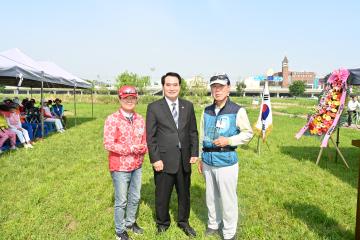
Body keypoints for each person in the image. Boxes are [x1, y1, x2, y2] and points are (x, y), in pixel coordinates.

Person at [198, 74, 253, 240]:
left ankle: (229, 232)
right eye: (214, 87)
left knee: (228, 199)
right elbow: (202, 135)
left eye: (221, 87)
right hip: (208, 161)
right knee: (211, 196)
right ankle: (213, 224)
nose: (217, 90)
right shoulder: (206, 111)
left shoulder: (237, 110)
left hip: (226, 161)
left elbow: (248, 133)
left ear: (228, 89)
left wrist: (229, 140)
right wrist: (201, 157)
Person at [146, 72, 199, 237]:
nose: (171, 88)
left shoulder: (188, 106)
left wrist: (194, 152)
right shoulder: (154, 107)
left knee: (184, 194)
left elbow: (193, 132)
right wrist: (155, 159)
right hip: (163, 160)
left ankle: (184, 222)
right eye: (168, 85)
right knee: (162, 195)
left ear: (180, 87)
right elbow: (151, 136)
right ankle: (163, 223)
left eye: (175, 84)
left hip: (184, 160)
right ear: (163, 86)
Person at [104, 86, 147, 240]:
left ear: (136, 99)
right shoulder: (112, 119)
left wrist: (144, 148)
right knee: (121, 200)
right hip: (120, 166)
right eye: (126, 98)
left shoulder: (140, 119)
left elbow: (144, 141)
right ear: (120, 99)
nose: (129, 101)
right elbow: (108, 144)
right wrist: (130, 148)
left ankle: (130, 223)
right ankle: (119, 230)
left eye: (132, 98)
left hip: (137, 165)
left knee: (135, 197)